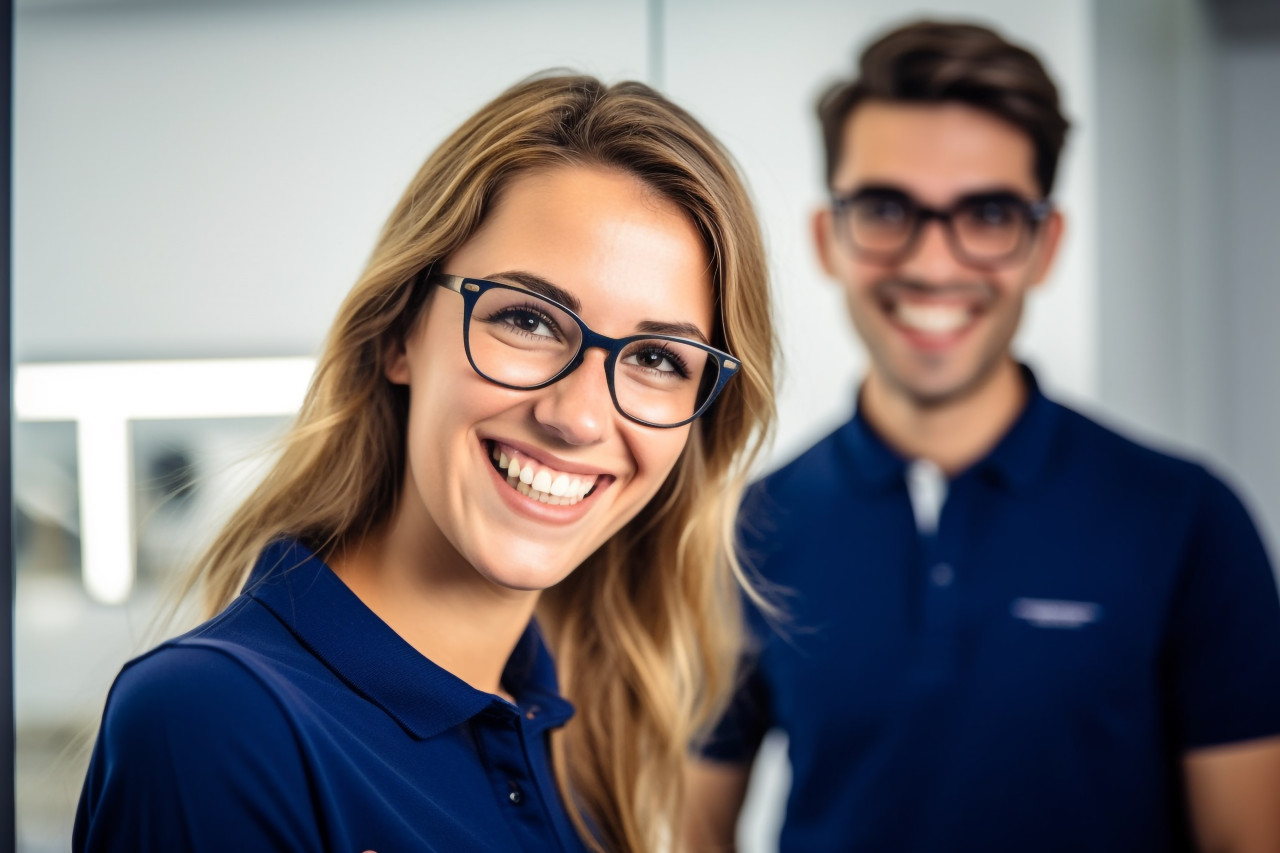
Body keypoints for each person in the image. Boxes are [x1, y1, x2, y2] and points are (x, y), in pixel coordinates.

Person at [73, 72, 777, 853]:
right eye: (527, 318)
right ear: (398, 333)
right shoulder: (213, 722)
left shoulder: (584, 740)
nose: (576, 416)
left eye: (655, 357)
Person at [683, 20, 1280, 853]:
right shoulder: (743, 533)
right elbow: (689, 832)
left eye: (989, 213)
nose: (933, 262)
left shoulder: (1190, 522)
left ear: (1045, 245)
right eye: (887, 209)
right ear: (830, 238)